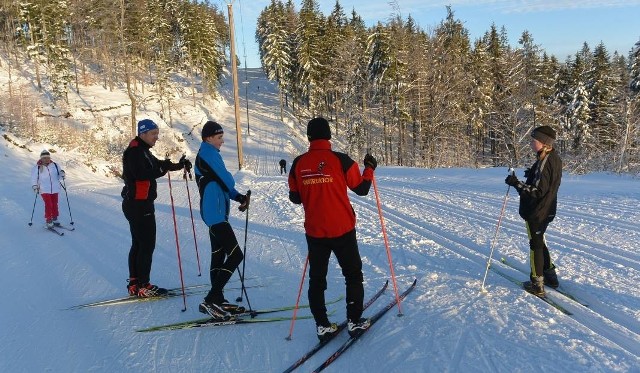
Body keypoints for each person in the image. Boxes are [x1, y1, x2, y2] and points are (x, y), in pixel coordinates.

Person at [288, 117, 378, 341]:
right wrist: (369, 168)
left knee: (317, 280)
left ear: (309, 137)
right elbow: (362, 189)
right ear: (328, 136)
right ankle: (354, 321)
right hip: (343, 229)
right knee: (353, 275)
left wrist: (312, 186)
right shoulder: (341, 160)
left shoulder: (298, 163)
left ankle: (322, 326)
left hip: (315, 231)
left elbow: (295, 197)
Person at [121, 119, 191, 298]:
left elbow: (159, 164)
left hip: (137, 204)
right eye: (153, 134)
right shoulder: (135, 152)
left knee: (138, 244)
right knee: (146, 245)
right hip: (139, 204)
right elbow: (142, 174)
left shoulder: (142, 150)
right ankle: (143, 285)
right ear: (143, 133)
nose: (156, 138)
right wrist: (162, 171)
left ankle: (135, 283)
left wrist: (177, 165)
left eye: (157, 134)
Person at [194, 120, 250, 319]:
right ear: (209, 138)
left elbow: (223, 184)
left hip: (214, 214)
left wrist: (239, 197)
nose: (222, 141)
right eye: (219, 138)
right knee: (236, 256)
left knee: (218, 256)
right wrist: (232, 184)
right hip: (215, 215)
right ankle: (211, 299)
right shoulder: (208, 153)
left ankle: (217, 299)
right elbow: (227, 179)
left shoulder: (208, 153)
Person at [505, 125, 562, 297]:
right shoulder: (552, 157)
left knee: (535, 244)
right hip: (547, 209)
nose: (531, 143)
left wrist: (516, 183)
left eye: (534, 140)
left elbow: (537, 191)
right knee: (539, 240)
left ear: (544, 143)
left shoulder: (545, 162)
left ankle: (537, 283)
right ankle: (550, 275)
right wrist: (532, 174)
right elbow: (545, 182)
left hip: (537, 211)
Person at [31, 149, 66, 228]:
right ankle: (49, 220)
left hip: (55, 188)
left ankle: (55, 218)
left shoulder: (55, 165)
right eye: (44, 158)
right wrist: (35, 186)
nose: (46, 159)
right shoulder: (37, 167)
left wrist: (62, 174)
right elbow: (33, 178)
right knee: (48, 204)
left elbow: (59, 176)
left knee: (54, 204)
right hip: (44, 189)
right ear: (41, 158)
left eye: (48, 157)